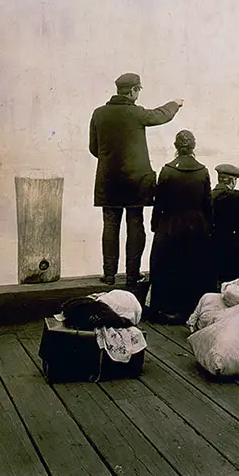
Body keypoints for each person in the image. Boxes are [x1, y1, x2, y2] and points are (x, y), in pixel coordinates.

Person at [89, 72, 183, 290]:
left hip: (108, 182)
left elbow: (94, 149)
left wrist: (112, 161)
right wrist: (175, 103)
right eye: (138, 90)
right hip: (135, 183)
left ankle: (109, 275)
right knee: (135, 225)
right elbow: (161, 115)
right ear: (133, 91)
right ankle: (132, 276)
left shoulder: (98, 114)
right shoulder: (137, 113)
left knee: (110, 226)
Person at [148, 130, 214, 323]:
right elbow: (207, 203)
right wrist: (208, 227)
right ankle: (190, 308)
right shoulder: (202, 170)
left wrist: (155, 225)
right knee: (193, 267)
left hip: (170, 225)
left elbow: (159, 202)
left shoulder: (168, 170)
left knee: (167, 266)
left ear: (176, 147)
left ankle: (166, 308)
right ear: (193, 147)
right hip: (197, 227)